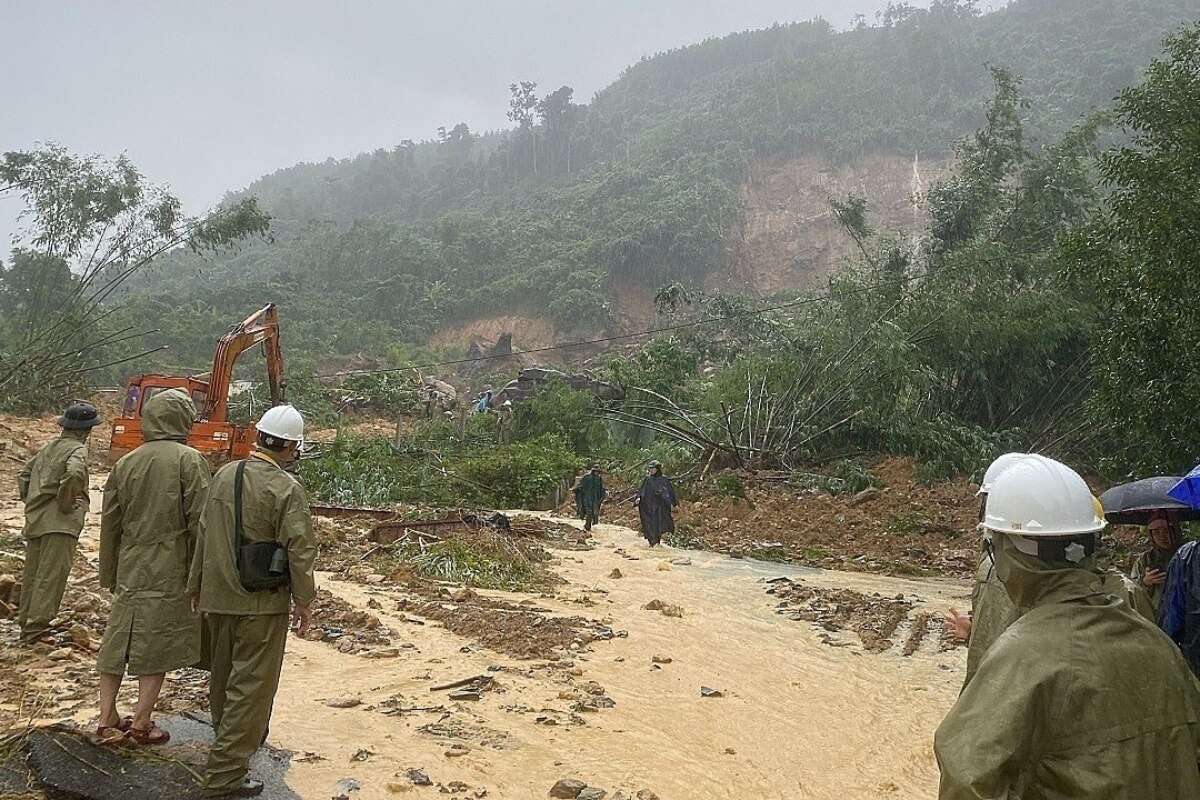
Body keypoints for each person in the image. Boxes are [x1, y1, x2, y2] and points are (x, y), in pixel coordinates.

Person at [935, 456, 1200, 798]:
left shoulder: (1023, 658)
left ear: (1013, 553)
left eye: (993, 547)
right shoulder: (1158, 645)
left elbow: (966, 781)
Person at [188, 405, 317, 798]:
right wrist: (305, 600)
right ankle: (224, 777)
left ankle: (229, 758)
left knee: (223, 682)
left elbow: (204, 533)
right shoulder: (287, 488)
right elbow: (300, 549)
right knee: (252, 690)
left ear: (258, 436)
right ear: (292, 446)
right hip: (261, 604)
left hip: (218, 597)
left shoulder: (224, 474)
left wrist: (195, 585)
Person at [95, 389, 210, 745]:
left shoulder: (125, 463)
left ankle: (106, 716)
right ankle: (142, 722)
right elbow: (201, 524)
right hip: (170, 566)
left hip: (130, 563)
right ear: (183, 419)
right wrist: (200, 577)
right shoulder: (189, 461)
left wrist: (109, 572)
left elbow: (109, 525)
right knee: (155, 642)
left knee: (118, 638)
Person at [16, 402, 102, 644]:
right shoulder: (78, 450)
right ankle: (36, 628)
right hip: (60, 522)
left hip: (36, 519)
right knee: (51, 576)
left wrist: (32, 499)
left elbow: (24, 474)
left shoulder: (48, 448)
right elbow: (74, 474)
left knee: (33, 573)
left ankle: (26, 622)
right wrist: (65, 503)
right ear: (87, 431)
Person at [1131, 515, 1181, 613]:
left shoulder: (1186, 554)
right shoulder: (1145, 559)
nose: (1162, 537)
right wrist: (1145, 582)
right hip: (1156, 612)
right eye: (1156, 533)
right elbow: (1132, 591)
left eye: (1167, 531)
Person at [635, 461, 677, 547]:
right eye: (650, 468)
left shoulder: (664, 479)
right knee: (649, 524)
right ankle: (653, 543)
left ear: (657, 469)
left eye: (653, 468)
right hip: (648, 507)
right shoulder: (648, 479)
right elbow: (642, 491)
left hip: (660, 507)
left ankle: (657, 542)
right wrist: (638, 498)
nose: (651, 470)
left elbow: (670, 492)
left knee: (661, 524)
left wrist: (672, 503)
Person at [574, 465, 606, 532]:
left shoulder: (599, 479)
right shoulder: (587, 477)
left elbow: (601, 488)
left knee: (595, 512)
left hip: (595, 499)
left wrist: (603, 493)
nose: (596, 473)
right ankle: (587, 526)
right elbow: (581, 485)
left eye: (598, 472)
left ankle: (589, 525)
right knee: (589, 512)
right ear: (593, 471)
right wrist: (577, 489)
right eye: (595, 471)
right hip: (587, 498)